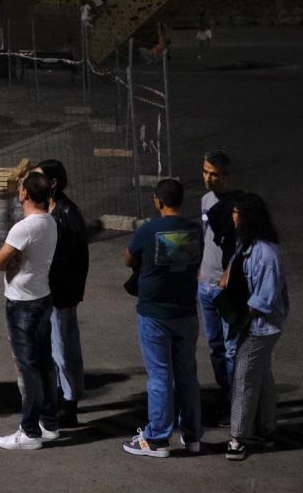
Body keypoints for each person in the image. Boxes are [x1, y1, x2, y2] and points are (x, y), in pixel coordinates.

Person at [123, 178, 203, 458]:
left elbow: (129, 258)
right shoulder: (194, 230)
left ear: (158, 201)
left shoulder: (148, 230)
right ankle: (192, 435)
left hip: (155, 313)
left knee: (159, 376)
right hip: (186, 311)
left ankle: (157, 438)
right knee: (187, 374)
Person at [0, 171, 62, 449]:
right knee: (44, 362)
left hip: (22, 302)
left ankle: (29, 432)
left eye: (20, 187)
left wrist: (13, 260)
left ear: (25, 194)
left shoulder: (24, 228)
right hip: (43, 296)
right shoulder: (50, 221)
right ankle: (49, 423)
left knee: (27, 367)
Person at [225, 192, 288, 460]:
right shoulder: (246, 245)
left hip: (259, 327)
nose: (232, 217)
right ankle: (266, 428)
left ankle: (238, 438)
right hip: (254, 324)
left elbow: (264, 298)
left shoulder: (266, 254)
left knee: (243, 377)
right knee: (261, 375)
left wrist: (238, 316)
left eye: (236, 213)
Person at [40, 157, 90, 425]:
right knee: (54, 347)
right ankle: (61, 395)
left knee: (64, 348)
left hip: (61, 292)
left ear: (53, 182)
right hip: (52, 290)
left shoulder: (66, 214)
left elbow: (74, 259)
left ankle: (69, 403)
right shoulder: (51, 209)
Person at [196, 153, 241, 396]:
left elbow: (242, 245)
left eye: (213, 174)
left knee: (232, 346)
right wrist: (200, 268)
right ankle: (225, 391)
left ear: (226, 175)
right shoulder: (205, 200)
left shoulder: (238, 206)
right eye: (205, 172)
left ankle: (237, 400)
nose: (207, 178)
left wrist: (229, 272)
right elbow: (206, 235)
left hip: (226, 288)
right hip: (205, 284)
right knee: (215, 345)